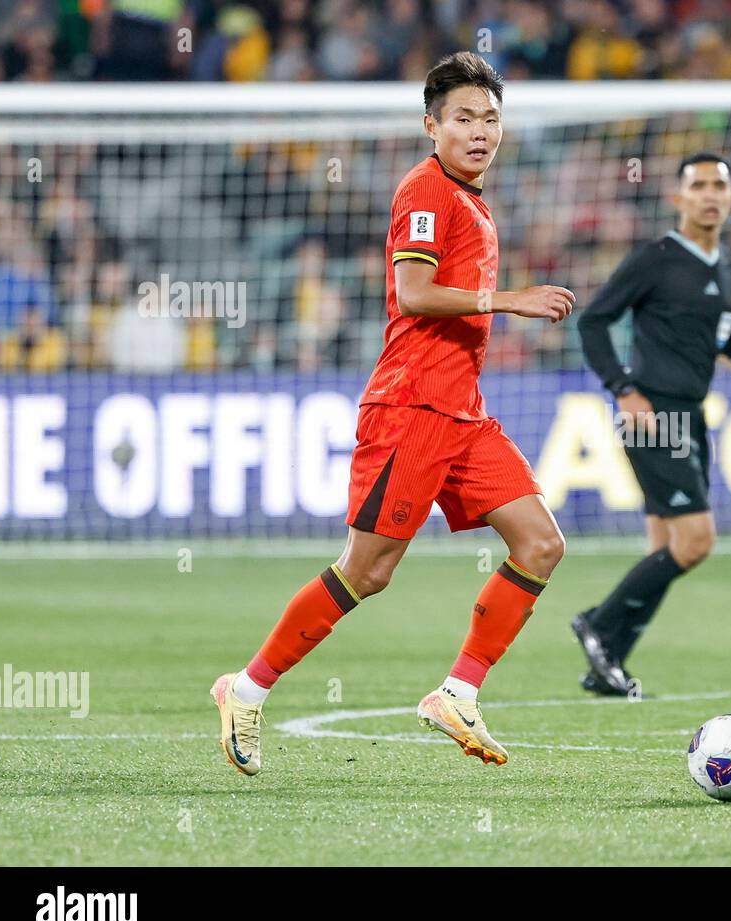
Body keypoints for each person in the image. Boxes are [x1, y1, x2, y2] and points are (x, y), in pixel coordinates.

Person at [210, 52, 576, 774]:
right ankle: (246, 687)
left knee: (540, 544)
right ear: (431, 125)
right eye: (464, 117)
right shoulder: (425, 188)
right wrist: (511, 300)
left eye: (491, 118)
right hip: (410, 407)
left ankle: (459, 692)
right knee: (367, 572)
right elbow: (413, 292)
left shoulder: (471, 198)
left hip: (462, 413)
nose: (480, 130)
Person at [573, 152, 731, 695]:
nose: (708, 194)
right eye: (697, 185)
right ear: (678, 199)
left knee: (664, 545)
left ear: (730, 198)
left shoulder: (724, 264)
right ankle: (597, 626)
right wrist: (622, 389)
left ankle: (605, 666)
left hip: (691, 414)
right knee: (695, 540)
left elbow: (725, 339)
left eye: (717, 186)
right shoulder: (655, 258)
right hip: (654, 412)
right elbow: (594, 322)